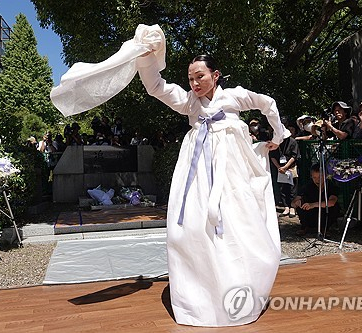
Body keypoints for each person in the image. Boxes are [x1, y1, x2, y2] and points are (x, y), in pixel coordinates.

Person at [137, 52, 287, 327]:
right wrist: (146, 57)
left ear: (215, 75)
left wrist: (278, 135)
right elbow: (156, 87)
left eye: (200, 76)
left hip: (230, 171)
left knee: (237, 223)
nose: (194, 83)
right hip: (197, 173)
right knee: (194, 228)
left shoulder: (234, 96)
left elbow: (268, 103)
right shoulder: (188, 102)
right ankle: (201, 297)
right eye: (191, 78)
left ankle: (238, 286)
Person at [291, 163, 340, 236]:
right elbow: (293, 202)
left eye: (320, 177)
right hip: (310, 212)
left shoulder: (330, 185)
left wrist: (314, 205)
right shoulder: (308, 186)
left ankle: (325, 228)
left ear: (325, 176)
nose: (317, 180)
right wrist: (296, 203)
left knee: (335, 207)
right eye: (314, 177)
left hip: (324, 211)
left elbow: (332, 202)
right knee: (302, 203)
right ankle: (305, 226)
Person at [270, 136, 300, 218]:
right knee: (282, 188)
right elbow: (272, 156)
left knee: (292, 188)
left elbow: (294, 156)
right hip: (279, 168)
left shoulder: (292, 141)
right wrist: (279, 167)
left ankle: (292, 207)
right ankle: (286, 206)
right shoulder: (275, 141)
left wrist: (286, 167)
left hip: (290, 168)